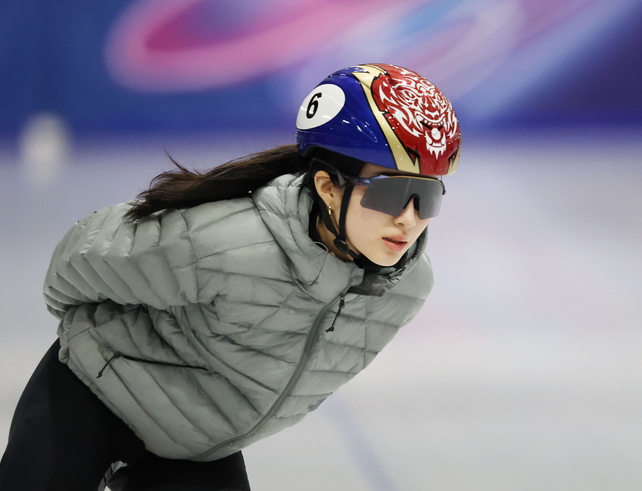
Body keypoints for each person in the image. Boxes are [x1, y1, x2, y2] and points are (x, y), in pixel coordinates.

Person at [0, 63, 461, 491]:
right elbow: (77, 261)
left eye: (427, 197)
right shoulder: (229, 242)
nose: (409, 219)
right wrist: (84, 343)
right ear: (327, 186)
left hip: (195, 446)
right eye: (391, 193)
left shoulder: (406, 288)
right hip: (91, 395)